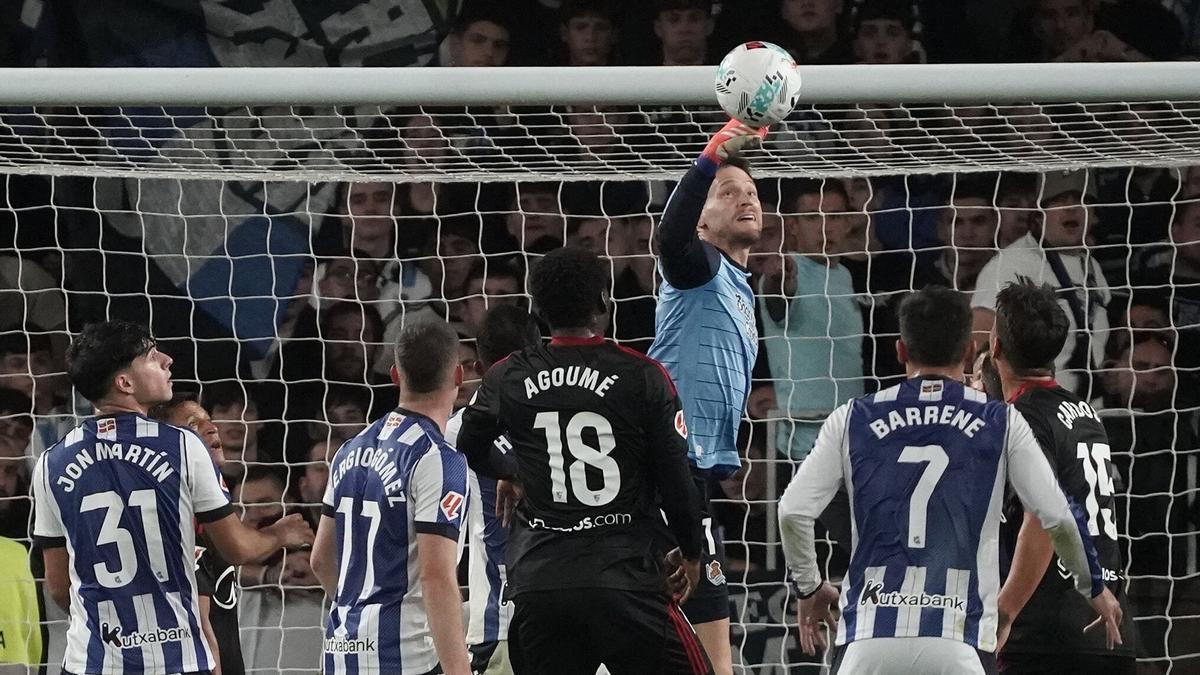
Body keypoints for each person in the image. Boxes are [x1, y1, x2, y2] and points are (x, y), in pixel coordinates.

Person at [777, 287, 1123, 674]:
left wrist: (808, 586)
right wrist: (1092, 585)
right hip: (959, 640)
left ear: (900, 351)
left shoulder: (851, 417)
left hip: (868, 639)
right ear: (970, 352)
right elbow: (1057, 516)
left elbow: (792, 510)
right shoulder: (1001, 421)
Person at [455, 247, 710, 675]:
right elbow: (675, 477)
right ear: (603, 304)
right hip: (624, 579)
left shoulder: (509, 375)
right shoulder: (641, 374)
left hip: (541, 583)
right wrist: (690, 550)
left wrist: (512, 469)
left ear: (536, 312)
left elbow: (469, 442)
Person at [30, 320, 313, 674]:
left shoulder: (50, 462)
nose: (167, 360)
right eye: (151, 356)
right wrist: (280, 534)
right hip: (175, 660)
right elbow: (238, 548)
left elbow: (58, 585)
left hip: (91, 661)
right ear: (125, 383)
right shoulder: (181, 445)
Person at [647, 117, 767, 674]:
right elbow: (668, 238)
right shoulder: (699, 268)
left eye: (751, 192)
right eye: (728, 192)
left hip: (690, 474)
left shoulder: (740, 286)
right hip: (662, 472)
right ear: (702, 220)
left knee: (703, 643)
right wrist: (708, 160)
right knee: (705, 641)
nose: (745, 199)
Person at [310, 318, 473, 675]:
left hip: (341, 653)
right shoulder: (439, 459)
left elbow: (321, 559)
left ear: (395, 375)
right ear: (458, 377)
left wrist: (360, 621)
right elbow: (436, 577)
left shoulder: (348, 450)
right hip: (405, 658)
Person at [990, 279, 1137, 673]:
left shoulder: (1021, 420)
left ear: (996, 347)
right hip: (1105, 625)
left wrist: (1005, 611)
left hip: (1045, 635)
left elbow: (1042, 520)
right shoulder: (1084, 412)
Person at [443, 304, 542, 675]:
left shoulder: (454, 435)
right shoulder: (567, 418)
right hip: (569, 611)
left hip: (498, 622)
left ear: (478, 369)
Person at [759, 178, 864, 461]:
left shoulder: (846, 276)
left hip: (852, 436)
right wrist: (780, 283)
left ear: (849, 222)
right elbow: (778, 299)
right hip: (803, 441)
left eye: (835, 216)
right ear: (793, 225)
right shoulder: (787, 270)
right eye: (812, 217)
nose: (825, 227)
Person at [151, 392, 247, 675]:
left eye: (209, 420)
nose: (212, 427)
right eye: (194, 425)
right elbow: (201, 628)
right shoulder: (181, 516)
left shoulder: (212, 506)